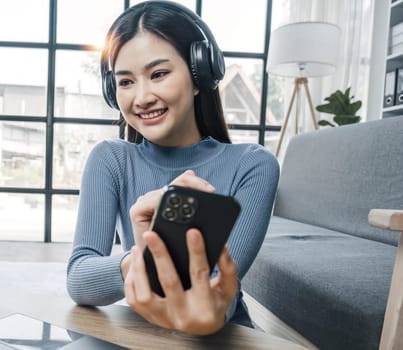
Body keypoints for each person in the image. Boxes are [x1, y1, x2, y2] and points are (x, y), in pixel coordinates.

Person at [66, 0, 279, 335]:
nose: (142, 97)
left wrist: (146, 264)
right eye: (125, 82)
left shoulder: (253, 165)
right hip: (144, 335)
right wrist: (144, 260)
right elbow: (79, 279)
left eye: (159, 74)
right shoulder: (110, 159)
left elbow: (219, 301)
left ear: (199, 76)